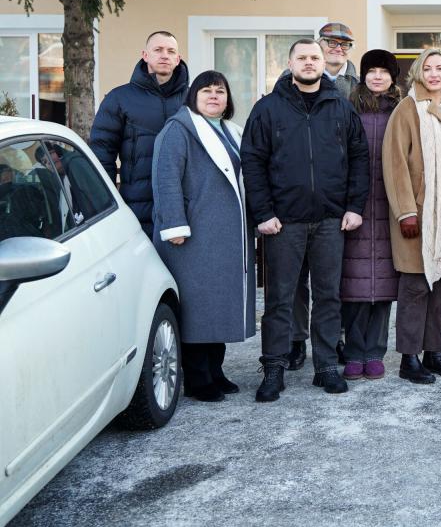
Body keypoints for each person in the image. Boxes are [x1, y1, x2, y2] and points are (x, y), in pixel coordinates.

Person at [242, 39, 368, 402]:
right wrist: (263, 213)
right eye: (303, 58)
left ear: (323, 61)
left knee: (329, 297)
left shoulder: (341, 108)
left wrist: (354, 206)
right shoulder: (267, 109)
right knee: (280, 298)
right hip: (284, 222)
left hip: (331, 219)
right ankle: (275, 367)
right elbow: (252, 161)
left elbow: (359, 158)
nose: (310, 63)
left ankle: (326, 365)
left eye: (315, 57)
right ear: (290, 63)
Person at [150, 71, 255, 402]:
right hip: (191, 237)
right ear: (193, 97)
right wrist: (175, 226)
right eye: (207, 90)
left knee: (218, 306)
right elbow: (165, 180)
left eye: (220, 91)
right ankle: (197, 378)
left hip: (223, 237)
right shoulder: (178, 131)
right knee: (197, 308)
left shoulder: (230, 132)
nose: (214, 96)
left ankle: (216, 370)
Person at [382, 47, 441, 384]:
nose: (434, 74)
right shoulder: (407, 109)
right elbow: (395, 165)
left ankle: (434, 353)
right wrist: (406, 211)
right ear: (418, 73)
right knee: (415, 286)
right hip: (419, 214)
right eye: (428, 68)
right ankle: (410, 358)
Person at [283, 21, 359, 371]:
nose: (336, 49)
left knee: (332, 281)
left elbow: (358, 147)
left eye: (343, 45)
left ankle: (334, 340)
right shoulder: (289, 84)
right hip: (296, 200)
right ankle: (296, 340)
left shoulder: (356, 88)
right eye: (330, 43)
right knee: (295, 281)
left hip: (335, 197)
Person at [339, 50, 404, 381]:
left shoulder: (401, 111)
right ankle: (353, 350)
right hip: (357, 205)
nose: (377, 76)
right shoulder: (349, 109)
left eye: (384, 71)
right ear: (363, 76)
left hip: (391, 204)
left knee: (384, 284)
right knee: (354, 283)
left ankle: (375, 351)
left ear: (393, 77)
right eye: (372, 71)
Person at [89, 31, 188, 236]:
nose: (164, 55)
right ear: (145, 55)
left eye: (171, 51)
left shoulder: (193, 100)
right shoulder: (119, 98)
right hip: (136, 208)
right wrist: (105, 202)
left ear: (177, 59)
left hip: (184, 206)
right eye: (158, 50)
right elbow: (102, 153)